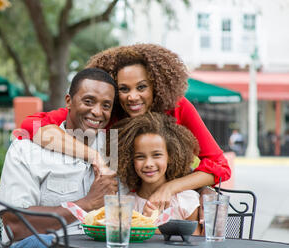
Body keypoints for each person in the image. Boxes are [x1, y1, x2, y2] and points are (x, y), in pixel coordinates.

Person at [19, 43, 231, 218]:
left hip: (173, 206)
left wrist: (170, 188)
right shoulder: (107, 112)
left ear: (156, 85)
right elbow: (33, 125)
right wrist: (93, 156)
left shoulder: (177, 108)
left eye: (141, 87)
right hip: (125, 209)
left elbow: (219, 166)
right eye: (123, 89)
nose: (132, 97)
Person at [0, 68, 118, 248]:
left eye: (106, 105)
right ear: (69, 101)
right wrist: (85, 204)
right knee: (46, 247)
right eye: (88, 101)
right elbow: (16, 226)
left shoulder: (115, 148)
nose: (97, 112)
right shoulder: (27, 149)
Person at [114, 112, 210, 248]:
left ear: (170, 157)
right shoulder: (125, 205)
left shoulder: (186, 200)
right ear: (130, 161)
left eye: (157, 155)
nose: (149, 164)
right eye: (140, 157)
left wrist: (153, 226)